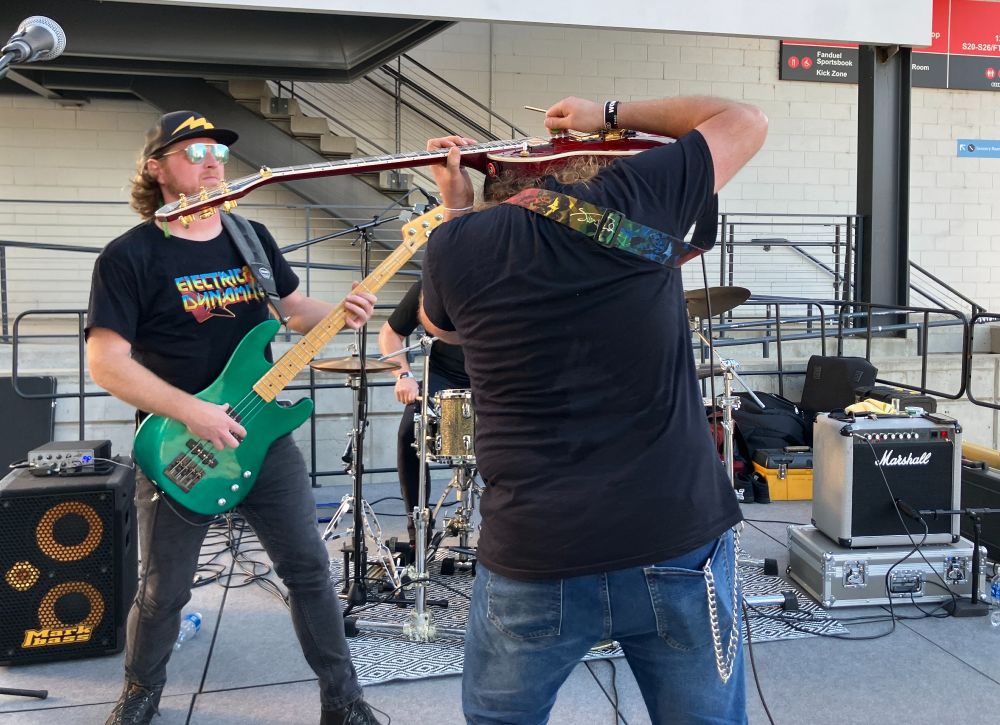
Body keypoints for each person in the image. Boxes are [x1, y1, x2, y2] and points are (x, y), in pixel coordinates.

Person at [420, 95, 767, 724]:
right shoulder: (635, 197)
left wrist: (454, 210)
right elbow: (746, 121)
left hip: (536, 548)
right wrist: (604, 111)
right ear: (600, 168)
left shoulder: (456, 245)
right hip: (673, 534)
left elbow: (440, 329)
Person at [86, 110, 384, 725]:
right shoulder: (130, 255)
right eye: (193, 152)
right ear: (156, 168)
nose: (213, 162)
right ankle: (139, 695)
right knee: (165, 589)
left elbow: (293, 308)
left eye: (216, 152)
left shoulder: (250, 236)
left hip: (261, 439)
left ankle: (344, 701)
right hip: (179, 443)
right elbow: (106, 362)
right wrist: (191, 410)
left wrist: (343, 310)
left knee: (308, 570)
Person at [377, 279, 470, 554]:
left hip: (496, 377)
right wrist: (403, 376)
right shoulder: (430, 286)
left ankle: (507, 529)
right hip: (442, 377)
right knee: (409, 433)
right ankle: (418, 525)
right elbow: (390, 332)